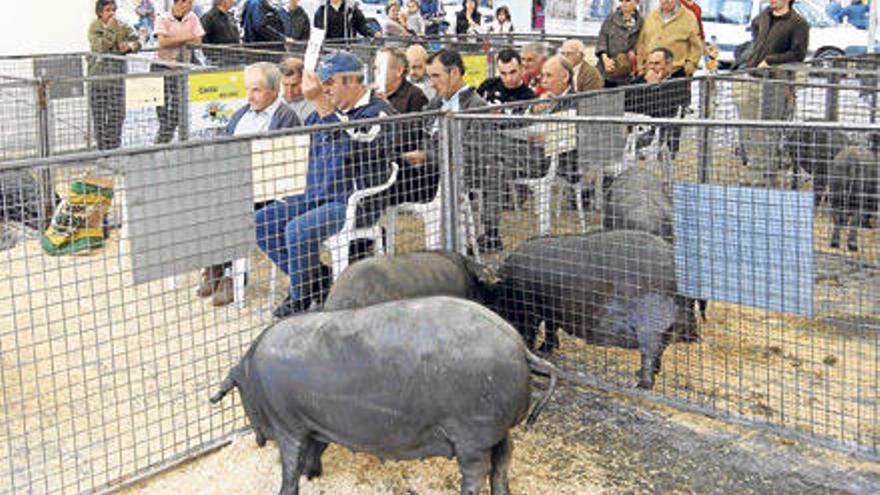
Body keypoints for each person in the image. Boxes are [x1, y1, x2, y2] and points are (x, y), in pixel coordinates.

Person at [255, 52, 397, 318]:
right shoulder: (322, 113)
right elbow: (300, 146)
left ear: (353, 80)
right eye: (322, 84)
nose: (324, 89)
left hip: (353, 201)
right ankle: (316, 280)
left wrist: (322, 105)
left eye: (329, 82)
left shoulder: (378, 111)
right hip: (315, 194)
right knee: (261, 221)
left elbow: (354, 146)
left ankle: (301, 299)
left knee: (297, 231)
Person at [200, 62, 301, 306]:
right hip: (237, 181)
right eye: (247, 90)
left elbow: (283, 162)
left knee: (228, 206)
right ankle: (216, 263)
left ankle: (232, 275)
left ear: (273, 91)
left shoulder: (285, 117)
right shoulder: (242, 113)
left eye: (255, 90)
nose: (249, 96)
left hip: (268, 187)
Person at [401, 50, 489, 247]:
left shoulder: (477, 106)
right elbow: (418, 132)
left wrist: (427, 157)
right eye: (430, 76)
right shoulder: (437, 102)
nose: (431, 83)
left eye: (436, 76)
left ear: (455, 73)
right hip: (426, 174)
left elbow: (471, 156)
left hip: (450, 177)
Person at [87, 0, 142, 151]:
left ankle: (114, 148)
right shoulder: (94, 27)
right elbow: (102, 46)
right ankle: (102, 149)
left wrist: (129, 46)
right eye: (107, 10)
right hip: (98, 80)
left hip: (117, 79)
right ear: (99, 13)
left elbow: (138, 41)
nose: (112, 13)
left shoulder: (122, 25)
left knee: (117, 115)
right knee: (100, 117)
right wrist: (111, 27)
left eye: (114, 10)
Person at [153, 0, 204, 144]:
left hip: (180, 67)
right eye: (187, 2)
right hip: (161, 66)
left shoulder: (193, 17)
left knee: (177, 105)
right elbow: (162, 43)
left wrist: (174, 40)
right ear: (178, 3)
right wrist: (187, 38)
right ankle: (163, 135)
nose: (190, 5)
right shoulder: (162, 18)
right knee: (161, 104)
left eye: (191, 2)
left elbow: (198, 40)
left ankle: (165, 136)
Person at [625, 47, 690, 155]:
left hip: (663, 131)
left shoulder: (678, 83)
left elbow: (664, 110)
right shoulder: (641, 79)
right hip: (639, 127)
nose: (652, 67)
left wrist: (654, 87)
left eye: (657, 63)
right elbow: (627, 103)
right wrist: (647, 84)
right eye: (650, 63)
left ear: (669, 65)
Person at [635, 0, 702, 76]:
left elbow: (696, 47)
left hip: (676, 74)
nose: (666, 1)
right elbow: (641, 43)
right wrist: (640, 66)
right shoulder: (651, 16)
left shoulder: (689, 18)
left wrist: (689, 68)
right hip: (650, 74)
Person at [596, 0, 642, 87]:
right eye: (621, 0)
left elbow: (642, 44)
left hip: (628, 72)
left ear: (636, 2)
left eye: (628, 0)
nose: (624, 3)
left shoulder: (641, 21)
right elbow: (602, 40)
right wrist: (605, 60)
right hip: (607, 70)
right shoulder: (610, 19)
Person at [382, 48, 429, 114]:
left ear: (399, 71)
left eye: (382, 68)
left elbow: (414, 124)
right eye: (375, 68)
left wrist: (386, 107)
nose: (376, 72)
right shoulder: (372, 94)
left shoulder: (415, 95)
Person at [314, 0, 381, 39]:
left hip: (348, 50)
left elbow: (362, 26)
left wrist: (373, 33)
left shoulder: (352, 9)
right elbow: (317, 33)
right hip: (327, 52)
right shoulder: (322, 10)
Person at [200, 0, 240, 65]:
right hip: (218, 60)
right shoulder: (209, 17)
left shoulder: (229, 15)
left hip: (234, 57)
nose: (232, 1)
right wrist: (211, 55)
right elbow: (202, 38)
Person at [280, 57, 316, 122]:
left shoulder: (314, 105)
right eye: (285, 85)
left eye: (294, 85)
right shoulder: (274, 99)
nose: (289, 91)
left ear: (304, 80)